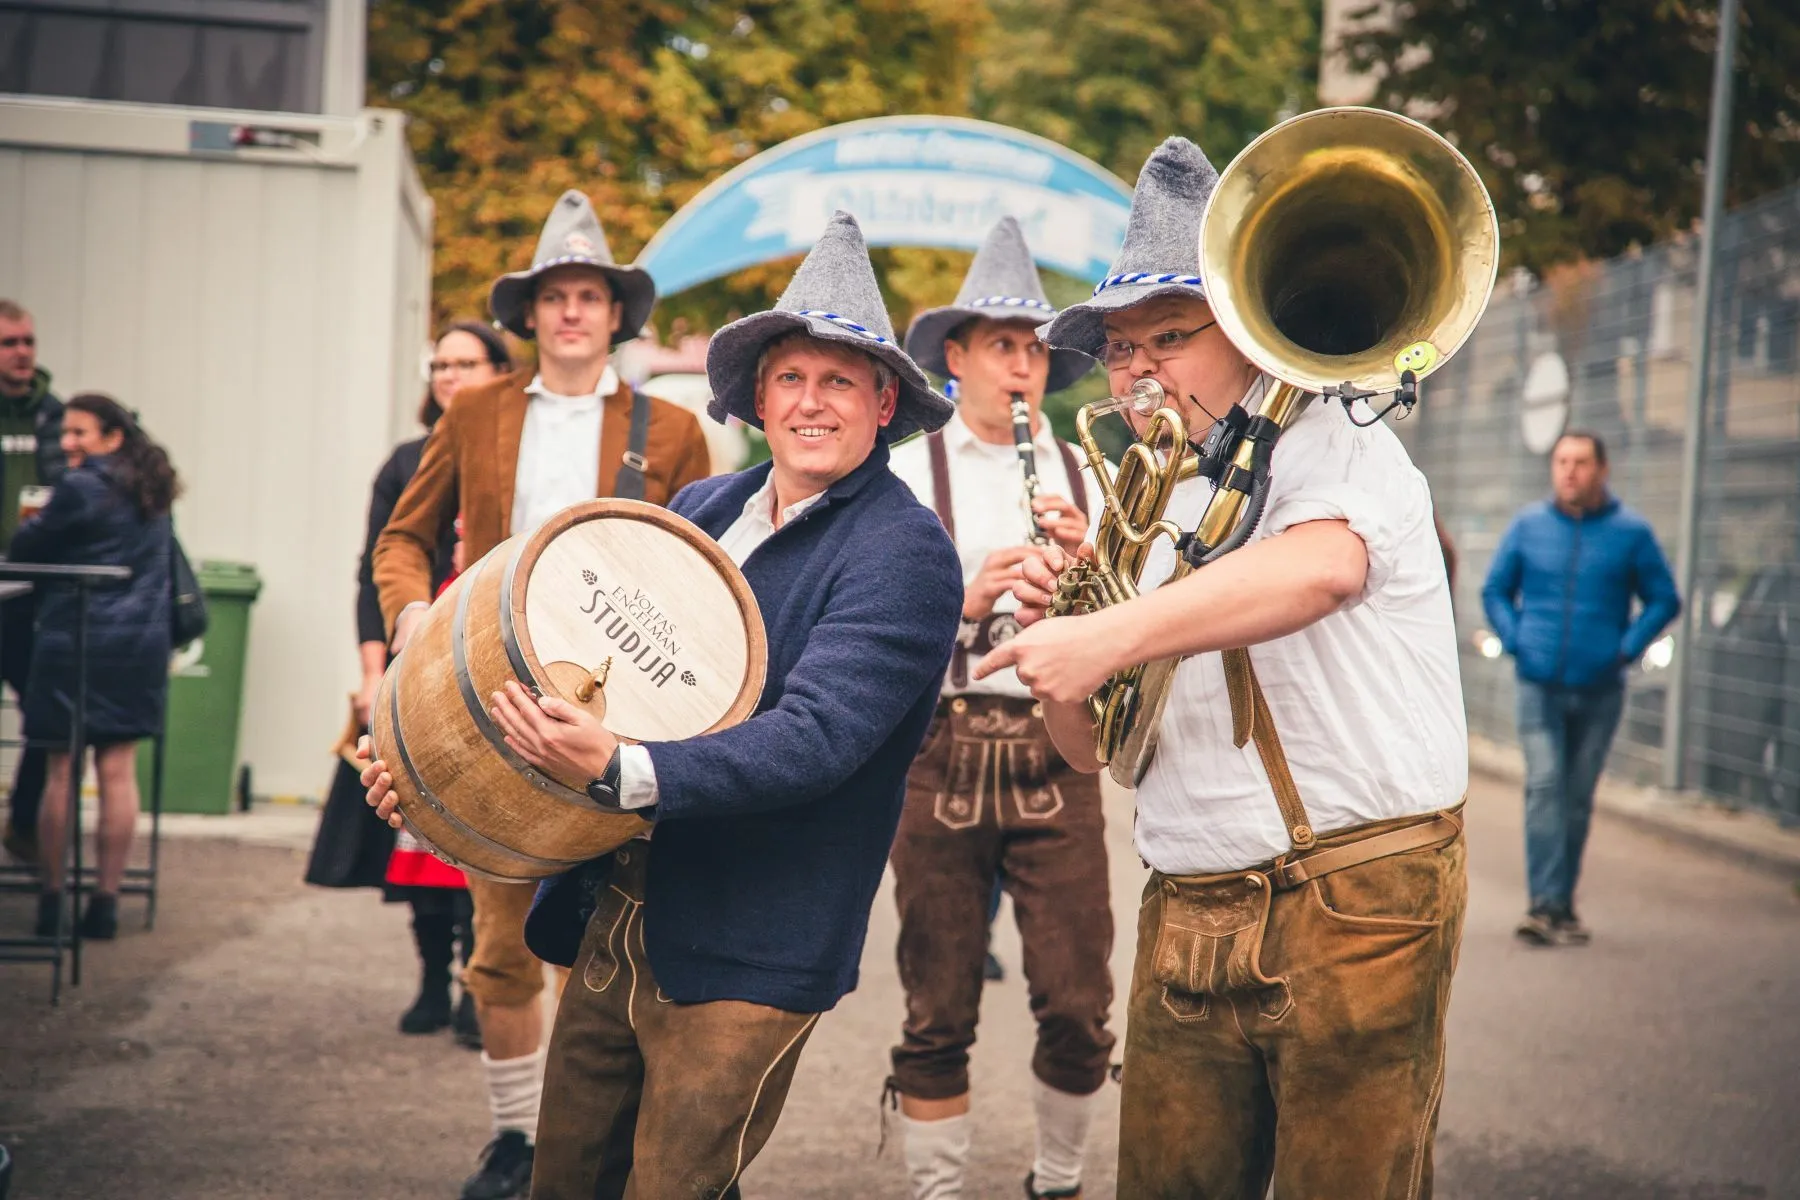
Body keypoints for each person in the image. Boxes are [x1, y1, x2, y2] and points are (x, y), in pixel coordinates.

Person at [365, 210, 965, 1200]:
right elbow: (578, 681)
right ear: (758, 398)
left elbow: (818, 738)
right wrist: (436, 789)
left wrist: (618, 766)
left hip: (751, 942)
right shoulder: (703, 512)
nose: (811, 403)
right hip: (618, 916)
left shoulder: (904, 551)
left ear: (885, 403)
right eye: (791, 378)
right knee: (565, 1183)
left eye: (839, 381)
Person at [978, 136, 1470, 1199]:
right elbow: (1094, 750)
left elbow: (1322, 570)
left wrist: (1110, 630)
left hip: (1350, 895)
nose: (1137, 370)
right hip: (1189, 907)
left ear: (1245, 332)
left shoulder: (1335, 432)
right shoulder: (1154, 504)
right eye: (1116, 350)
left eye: (1168, 336)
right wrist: (1065, 649)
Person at [372, 191, 711, 1200]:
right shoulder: (474, 411)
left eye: (589, 296)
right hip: (486, 705)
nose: (571, 311)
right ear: (531, 311)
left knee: (603, 947)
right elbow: (401, 539)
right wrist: (409, 623)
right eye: (556, 295)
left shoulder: (676, 430)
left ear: (617, 315)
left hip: (618, 722)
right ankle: (515, 1141)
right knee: (502, 944)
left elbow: (701, 578)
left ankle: (584, 1148)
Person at [886, 216, 1112, 1200]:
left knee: (1078, 1002)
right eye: (1001, 346)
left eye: (1032, 349)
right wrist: (966, 599)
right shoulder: (901, 475)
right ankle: (936, 1189)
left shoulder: (1084, 477)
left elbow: (1129, 632)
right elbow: (877, 643)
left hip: (1054, 749)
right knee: (937, 1005)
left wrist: (1090, 572)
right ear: (957, 355)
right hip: (939, 746)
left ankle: (1056, 1181)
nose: (1021, 366)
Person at [305, 320, 512, 1046]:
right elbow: (378, 567)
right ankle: (433, 978)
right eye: (441, 365)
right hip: (418, 659)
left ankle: (476, 982)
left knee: (489, 827)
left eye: (467, 363)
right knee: (421, 835)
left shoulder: (521, 449)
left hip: (495, 659)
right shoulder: (405, 462)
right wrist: (372, 673)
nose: (451, 377)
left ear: (501, 370)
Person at [1481, 430, 1679, 946]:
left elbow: (1663, 598)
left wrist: (1625, 648)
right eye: (1562, 461)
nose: (1569, 470)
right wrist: (1516, 637)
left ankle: (1561, 905)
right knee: (1545, 785)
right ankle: (1545, 905)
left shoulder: (1631, 533)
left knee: (1575, 798)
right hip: (1537, 684)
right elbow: (1495, 589)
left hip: (1600, 689)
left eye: (1581, 462)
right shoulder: (1528, 527)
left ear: (1602, 469)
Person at [14, 394, 177, 941]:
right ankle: (106, 901)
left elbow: (25, 546)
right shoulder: (153, 485)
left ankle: (51, 898)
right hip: (138, 645)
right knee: (118, 771)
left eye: (79, 432)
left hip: (75, 638)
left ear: (112, 437)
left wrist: (34, 516)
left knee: (62, 771)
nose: (67, 443)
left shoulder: (81, 487)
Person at [0, 299, 64, 867]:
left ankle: (22, 824)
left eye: (28, 342)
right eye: (9, 344)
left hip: (31, 597)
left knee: (46, 717)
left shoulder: (57, 418)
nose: (22, 354)